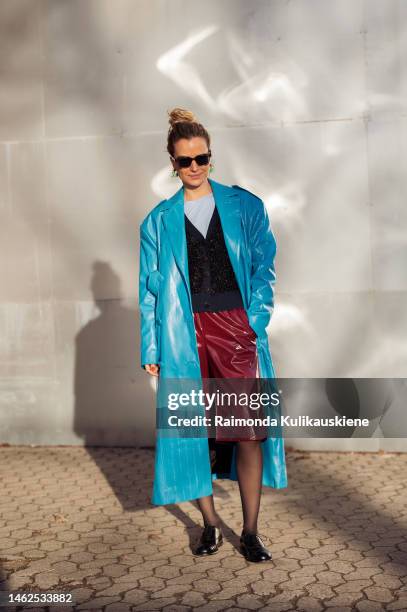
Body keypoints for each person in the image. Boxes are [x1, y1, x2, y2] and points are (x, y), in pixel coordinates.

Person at [139, 107, 287, 562]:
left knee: (247, 432)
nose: (195, 167)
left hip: (235, 329)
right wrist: (151, 345)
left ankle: (252, 531)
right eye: (185, 161)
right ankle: (209, 525)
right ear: (173, 164)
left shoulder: (245, 205)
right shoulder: (157, 221)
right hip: (184, 335)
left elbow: (265, 266)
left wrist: (253, 321)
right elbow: (149, 289)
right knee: (193, 433)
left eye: (201, 158)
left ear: (211, 157)